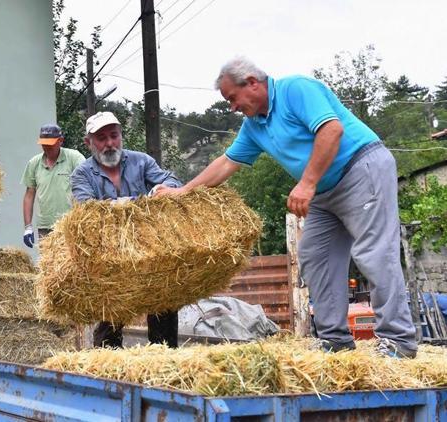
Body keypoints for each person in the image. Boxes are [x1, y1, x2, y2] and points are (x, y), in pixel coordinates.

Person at [156, 57, 418, 358]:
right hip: (323, 189)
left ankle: (398, 341)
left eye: (232, 98)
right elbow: (227, 162)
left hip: (361, 169)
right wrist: (183, 192)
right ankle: (335, 341)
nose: (232, 107)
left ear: (252, 82)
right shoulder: (254, 127)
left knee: (374, 253)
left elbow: (331, 131)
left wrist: (306, 183)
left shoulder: (296, 89)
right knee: (314, 256)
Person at [71, 111, 182, 349]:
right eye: (101, 138)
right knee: (110, 313)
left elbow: (173, 182)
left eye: (114, 135)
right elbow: (88, 210)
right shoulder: (82, 173)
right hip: (110, 253)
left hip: (149, 247)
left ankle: (165, 359)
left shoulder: (141, 161)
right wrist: (138, 202)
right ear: (88, 143)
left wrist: (163, 188)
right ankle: (108, 367)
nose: (110, 143)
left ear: (121, 136)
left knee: (163, 301)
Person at [21, 124, 85, 248]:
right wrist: (28, 227)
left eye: (50, 144)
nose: (46, 147)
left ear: (60, 141)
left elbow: (86, 183)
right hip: (45, 228)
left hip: (70, 225)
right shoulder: (34, 163)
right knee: (47, 266)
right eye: (44, 144)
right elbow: (29, 195)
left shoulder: (74, 158)